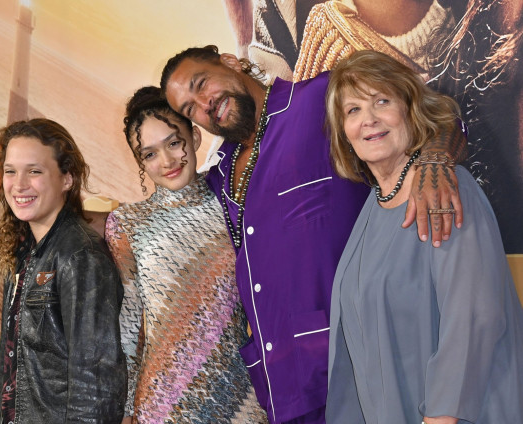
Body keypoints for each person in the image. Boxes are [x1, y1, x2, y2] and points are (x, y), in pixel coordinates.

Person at [160, 45, 466, 424]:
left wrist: (435, 160)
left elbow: (439, 112)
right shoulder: (220, 175)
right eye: (190, 108)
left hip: (356, 370)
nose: (205, 104)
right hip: (283, 387)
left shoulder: (319, 98)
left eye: (200, 84)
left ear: (230, 62)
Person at [325, 50, 523, 424]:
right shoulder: (372, 208)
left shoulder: (444, 190)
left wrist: (440, 417)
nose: (368, 119)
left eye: (382, 101)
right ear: (344, 133)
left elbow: (473, 316)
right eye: (352, 110)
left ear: (410, 109)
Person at [105, 86, 268, 423]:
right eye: (149, 154)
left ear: (194, 137)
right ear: (140, 162)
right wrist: (126, 412)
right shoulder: (127, 224)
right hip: (161, 404)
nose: (166, 162)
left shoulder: (232, 198)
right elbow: (129, 324)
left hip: (242, 394)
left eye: (173, 143)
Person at [0, 118, 126, 423]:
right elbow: (8, 368)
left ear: (67, 179)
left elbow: (96, 385)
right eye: (10, 171)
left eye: (34, 171)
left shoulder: (80, 255)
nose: (19, 184)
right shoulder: (24, 251)